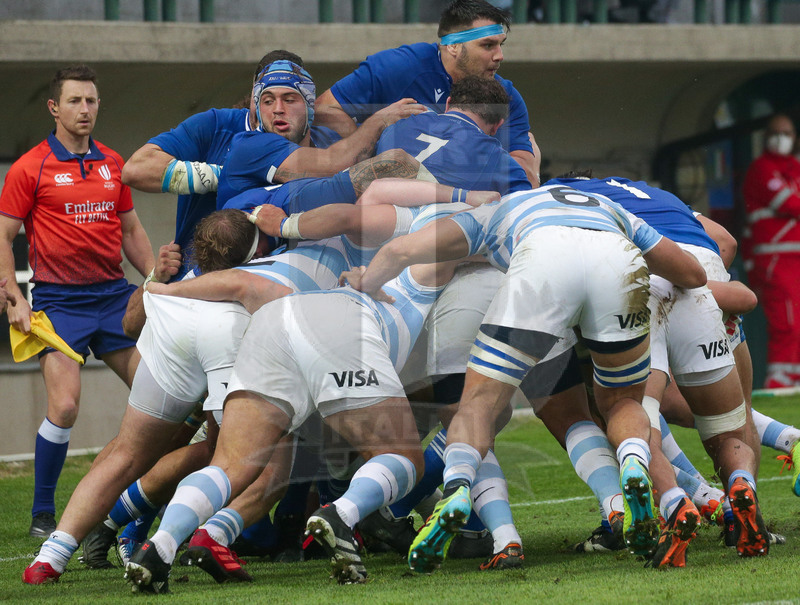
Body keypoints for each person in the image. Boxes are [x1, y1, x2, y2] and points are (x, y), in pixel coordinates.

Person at [348, 183, 707, 572]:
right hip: (617, 259)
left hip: (538, 266)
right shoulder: (609, 208)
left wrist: (365, 282)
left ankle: (456, 489)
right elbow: (693, 272)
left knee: (479, 406)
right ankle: (633, 463)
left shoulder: (499, 210)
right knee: (620, 403)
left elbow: (402, 250)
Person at [0, 65, 155, 539]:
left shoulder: (113, 163)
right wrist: (13, 298)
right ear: (54, 108)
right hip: (59, 304)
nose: (84, 109)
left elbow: (130, 230)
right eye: (74, 101)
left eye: (91, 101)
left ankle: (130, 513)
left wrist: (154, 282)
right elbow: (4, 236)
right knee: (64, 408)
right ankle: (42, 515)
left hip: (114, 299)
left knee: (160, 402)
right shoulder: (30, 167)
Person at [122, 50, 312, 280]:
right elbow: (136, 169)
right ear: (255, 90)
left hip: (277, 274)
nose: (278, 108)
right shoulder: (217, 126)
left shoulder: (315, 139)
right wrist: (225, 176)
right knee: (136, 309)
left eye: (290, 97)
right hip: (197, 273)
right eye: (268, 94)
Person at [314, 0, 541, 185]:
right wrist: (370, 146)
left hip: (460, 207)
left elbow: (525, 179)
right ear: (453, 46)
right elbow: (324, 109)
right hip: (381, 196)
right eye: (487, 45)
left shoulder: (505, 98)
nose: (500, 55)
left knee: (530, 144)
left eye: (501, 44)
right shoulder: (399, 67)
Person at [215, 59, 425, 207]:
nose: (278, 108)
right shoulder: (250, 146)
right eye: (268, 101)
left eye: (289, 99)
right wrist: (379, 120)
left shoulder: (328, 137)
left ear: (310, 108)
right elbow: (335, 163)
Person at [375, 75, 531, 195]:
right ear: (497, 125)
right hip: (431, 230)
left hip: (373, 218)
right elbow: (524, 205)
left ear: (448, 103)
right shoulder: (497, 157)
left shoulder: (395, 126)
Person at [742, 113, 800, 389]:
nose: (782, 139)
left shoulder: (794, 167)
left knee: (796, 321)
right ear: (765, 138)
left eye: (787, 133)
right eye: (777, 133)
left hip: (794, 259)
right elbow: (789, 203)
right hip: (774, 260)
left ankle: (793, 378)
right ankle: (778, 381)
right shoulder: (761, 168)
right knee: (785, 322)